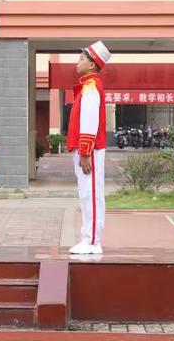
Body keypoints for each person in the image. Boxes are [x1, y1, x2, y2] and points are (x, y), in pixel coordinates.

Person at [67, 41, 111, 255]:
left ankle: (92, 240)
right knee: (86, 193)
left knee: (91, 193)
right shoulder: (88, 85)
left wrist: (85, 152)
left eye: (82, 58)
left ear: (92, 64)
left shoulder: (92, 86)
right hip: (87, 149)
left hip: (89, 150)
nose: (78, 62)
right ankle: (89, 237)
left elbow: (90, 122)